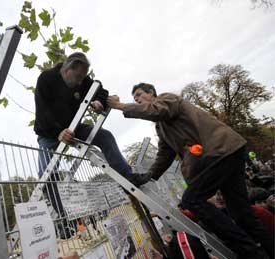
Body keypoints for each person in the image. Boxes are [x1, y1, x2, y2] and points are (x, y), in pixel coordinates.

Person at [107, 83, 274, 259]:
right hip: (225, 153)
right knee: (242, 215)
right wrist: (149, 176)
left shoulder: (167, 99)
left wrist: (121, 106)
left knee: (192, 200)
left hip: (219, 153)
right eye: (135, 99)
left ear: (151, 93)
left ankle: (250, 253)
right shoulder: (161, 126)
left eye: (140, 95)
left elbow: (156, 110)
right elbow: (166, 153)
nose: (137, 100)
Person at [34, 53, 145, 237]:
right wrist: (57, 132)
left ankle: (128, 177)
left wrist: (99, 100)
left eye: (82, 78)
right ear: (67, 70)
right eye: (77, 77)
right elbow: (43, 111)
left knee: (105, 136)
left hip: (73, 126)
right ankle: (65, 217)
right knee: (46, 176)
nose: (79, 83)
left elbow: (99, 88)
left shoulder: (82, 80)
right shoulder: (47, 79)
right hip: (49, 132)